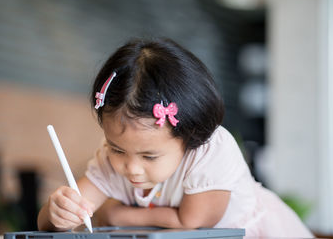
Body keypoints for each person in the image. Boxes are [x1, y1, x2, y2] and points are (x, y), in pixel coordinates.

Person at [37, 37, 313, 237]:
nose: (130, 167)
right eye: (117, 149)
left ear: (190, 136)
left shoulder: (210, 151)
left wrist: (115, 214)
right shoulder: (112, 159)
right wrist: (57, 213)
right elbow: (60, 219)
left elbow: (192, 222)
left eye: (149, 155)